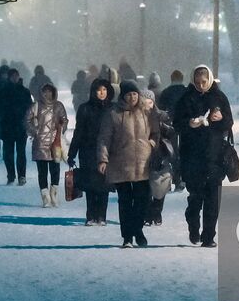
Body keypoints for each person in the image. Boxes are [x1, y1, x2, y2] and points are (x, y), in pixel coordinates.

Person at [172, 64, 233, 247]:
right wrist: (189, 123)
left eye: (204, 82)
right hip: (192, 157)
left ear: (210, 80)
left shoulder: (219, 97)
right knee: (195, 198)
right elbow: (177, 123)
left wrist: (221, 119)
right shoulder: (186, 98)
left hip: (215, 156)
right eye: (197, 82)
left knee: (213, 201)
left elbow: (229, 122)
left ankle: (209, 237)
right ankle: (193, 226)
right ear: (193, 80)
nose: (200, 85)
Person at [98, 81, 157, 247]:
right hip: (120, 163)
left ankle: (137, 230)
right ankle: (127, 237)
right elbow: (104, 138)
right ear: (123, 96)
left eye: (135, 94)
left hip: (143, 163)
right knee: (125, 201)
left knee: (142, 200)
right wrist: (103, 159)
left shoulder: (146, 111)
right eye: (129, 94)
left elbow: (156, 131)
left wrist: (152, 143)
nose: (132, 97)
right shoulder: (113, 114)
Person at [68, 78, 114, 225]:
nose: (102, 93)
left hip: (107, 151)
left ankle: (102, 216)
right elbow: (79, 132)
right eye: (99, 90)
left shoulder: (113, 109)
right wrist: (72, 153)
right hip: (87, 150)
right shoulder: (85, 108)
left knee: (104, 184)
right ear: (94, 92)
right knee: (90, 184)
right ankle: (91, 216)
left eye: (105, 90)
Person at [26, 83, 69, 207]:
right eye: (45, 92)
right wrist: (35, 131)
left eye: (50, 91)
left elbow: (64, 119)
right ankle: (45, 197)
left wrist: (61, 127)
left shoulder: (59, 106)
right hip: (40, 143)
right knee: (42, 171)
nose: (47, 94)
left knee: (55, 170)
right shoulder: (36, 106)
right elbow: (27, 120)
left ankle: (54, 193)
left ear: (53, 92)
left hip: (55, 142)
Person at [144, 89, 177, 227]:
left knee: (160, 185)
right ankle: (147, 214)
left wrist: (163, 127)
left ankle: (157, 212)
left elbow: (172, 133)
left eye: (150, 102)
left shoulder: (162, 116)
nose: (147, 105)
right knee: (145, 186)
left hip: (160, 154)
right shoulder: (136, 116)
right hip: (143, 155)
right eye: (144, 102)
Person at [0, 68, 34, 185]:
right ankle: (11, 175)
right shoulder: (3, 91)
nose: (15, 78)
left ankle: (21, 175)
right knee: (9, 153)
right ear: (9, 77)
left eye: (16, 76)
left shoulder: (24, 91)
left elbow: (30, 108)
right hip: (8, 125)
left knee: (20, 152)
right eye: (13, 76)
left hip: (20, 125)